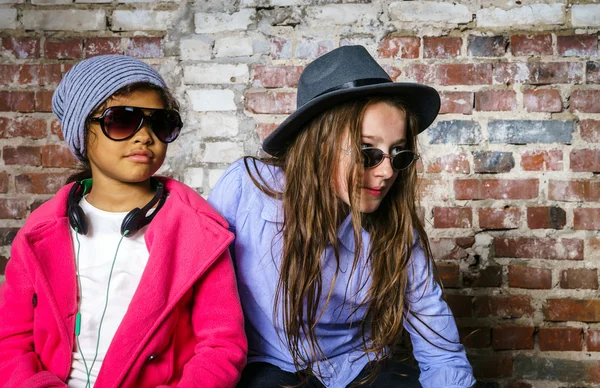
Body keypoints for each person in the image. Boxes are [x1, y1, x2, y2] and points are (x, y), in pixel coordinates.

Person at [208, 45, 475, 388]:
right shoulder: (248, 189)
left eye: (399, 154)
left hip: (356, 366)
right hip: (268, 364)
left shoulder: (395, 229)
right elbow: (197, 301)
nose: (387, 171)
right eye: (369, 153)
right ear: (319, 145)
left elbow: (440, 348)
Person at [0, 55, 247, 387]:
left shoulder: (200, 233)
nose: (145, 137)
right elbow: (10, 342)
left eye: (159, 123)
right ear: (81, 132)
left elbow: (221, 345)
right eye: (121, 120)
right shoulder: (38, 234)